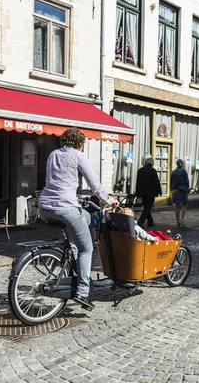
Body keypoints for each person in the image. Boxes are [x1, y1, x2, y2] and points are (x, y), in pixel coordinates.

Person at [38, 127, 118, 311]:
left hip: (45, 207)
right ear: (80, 144)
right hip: (65, 207)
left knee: (86, 217)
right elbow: (95, 185)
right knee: (87, 248)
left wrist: (75, 198)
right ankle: (82, 292)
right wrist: (109, 201)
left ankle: (72, 251)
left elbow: (56, 180)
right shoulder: (79, 156)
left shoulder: (53, 154)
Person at [135, 158, 162, 228]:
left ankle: (150, 222)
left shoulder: (140, 170)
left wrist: (137, 192)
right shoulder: (152, 171)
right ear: (151, 163)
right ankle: (140, 222)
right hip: (151, 192)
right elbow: (156, 181)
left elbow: (138, 182)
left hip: (142, 192)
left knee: (147, 207)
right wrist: (159, 191)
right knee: (147, 208)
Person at [170, 159, 190, 227]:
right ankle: (182, 219)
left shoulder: (173, 172)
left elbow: (171, 182)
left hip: (175, 191)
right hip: (183, 191)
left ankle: (178, 222)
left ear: (177, 164)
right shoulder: (183, 171)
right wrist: (187, 188)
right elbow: (187, 181)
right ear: (182, 164)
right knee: (185, 204)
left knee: (178, 207)